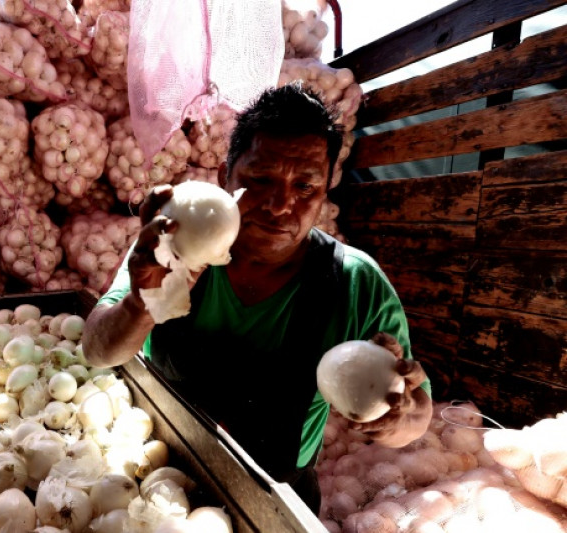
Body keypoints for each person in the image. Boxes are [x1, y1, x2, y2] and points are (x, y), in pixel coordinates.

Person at [83, 83, 433, 512]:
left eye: (305, 188)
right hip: (153, 478)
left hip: (275, 501)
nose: (280, 204)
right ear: (224, 178)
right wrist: (141, 303)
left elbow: (416, 419)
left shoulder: (355, 284)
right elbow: (99, 350)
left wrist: (399, 416)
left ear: (325, 193)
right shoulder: (177, 246)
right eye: (260, 179)